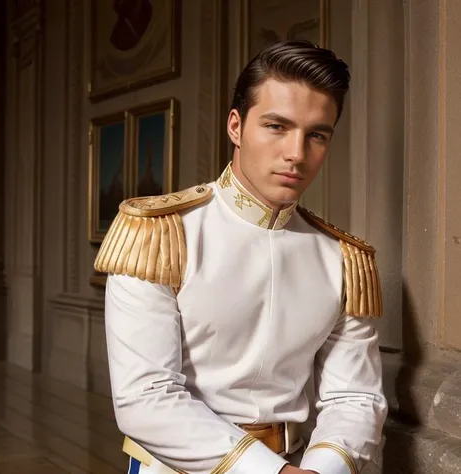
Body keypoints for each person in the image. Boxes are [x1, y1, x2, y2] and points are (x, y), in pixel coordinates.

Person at [94, 40, 388, 474]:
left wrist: (324, 468)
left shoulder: (344, 259)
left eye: (317, 135)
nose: (296, 153)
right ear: (236, 126)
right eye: (276, 126)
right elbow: (146, 397)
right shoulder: (159, 233)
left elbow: (356, 397)